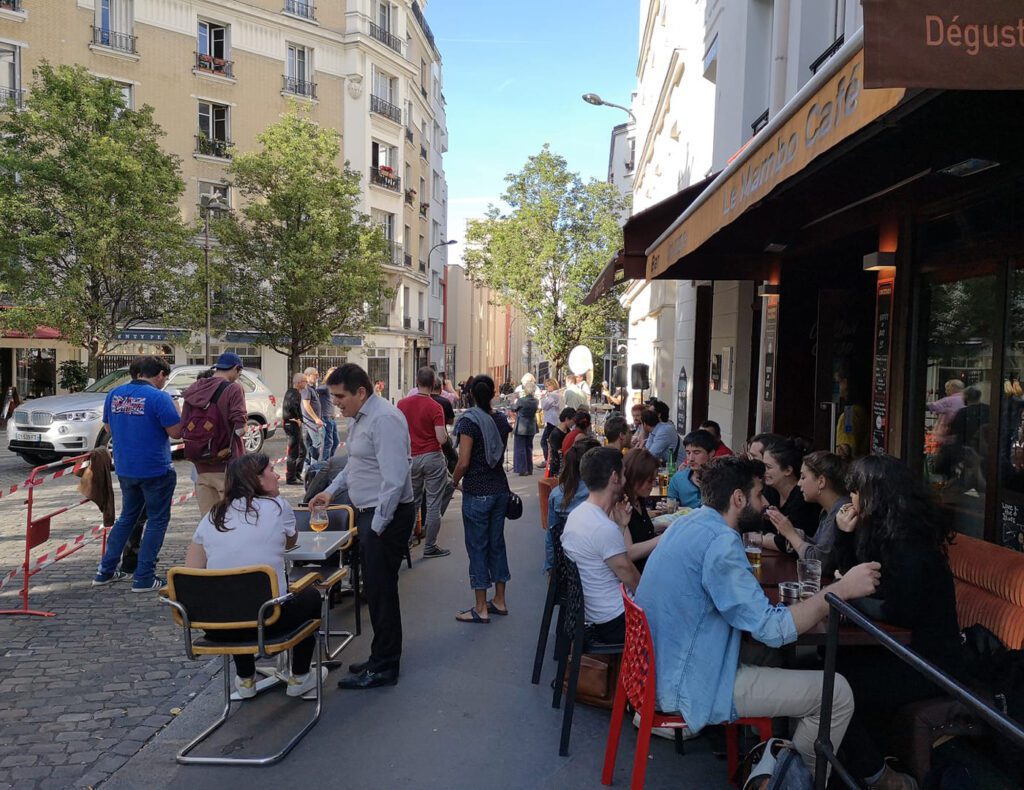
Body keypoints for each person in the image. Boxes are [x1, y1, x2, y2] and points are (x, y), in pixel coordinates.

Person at [636, 456, 881, 776]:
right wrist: (840, 590)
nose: (765, 503)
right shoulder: (721, 542)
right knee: (837, 692)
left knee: (775, 656)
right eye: (759, 495)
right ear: (738, 499)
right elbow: (772, 629)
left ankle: (766, 753)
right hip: (692, 682)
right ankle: (792, 780)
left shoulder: (688, 522)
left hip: (664, 665)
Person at [832, 454, 964, 790]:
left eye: (856, 491)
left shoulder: (913, 548)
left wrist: (851, 596)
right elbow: (849, 576)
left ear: (876, 496)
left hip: (928, 665)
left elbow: (895, 610)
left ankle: (882, 778)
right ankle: (862, 766)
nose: (851, 499)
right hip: (897, 653)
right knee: (829, 667)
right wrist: (845, 536)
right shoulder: (882, 535)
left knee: (833, 688)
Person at [308, 364, 416, 689]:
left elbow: (395, 480)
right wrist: (329, 491)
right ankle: (379, 656)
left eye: (340, 396)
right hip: (372, 513)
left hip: (385, 515)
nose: (336, 403)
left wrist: (378, 526)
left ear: (361, 393)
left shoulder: (383, 419)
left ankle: (385, 666)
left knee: (382, 591)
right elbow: (356, 464)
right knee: (377, 589)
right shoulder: (362, 418)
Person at [185, 453, 324, 699]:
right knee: (311, 595)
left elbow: (191, 572)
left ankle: (246, 679)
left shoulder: (212, 516)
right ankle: (301, 676)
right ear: (257, 479)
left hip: (217, 626)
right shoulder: (277, 506)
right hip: (269, 622)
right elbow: (290, 542)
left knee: (235, 597)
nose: (278, 474)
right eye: (271, 470)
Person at [92, 356, 182, 592]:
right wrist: (178, 410)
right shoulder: (159, 397)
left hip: (125, 467)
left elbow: (108, 428)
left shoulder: (114, 394)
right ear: (160, 375)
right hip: (155, 468)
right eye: (165, 377)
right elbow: (176, 432)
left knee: (127, 518)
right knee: (157, 520)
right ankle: (144, 576)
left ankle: (105, 570)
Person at [561, 447, 660, 643]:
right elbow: (630, 575)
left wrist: (622, 526)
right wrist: (656, 601)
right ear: (615, 477)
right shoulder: (601, 526)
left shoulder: (579, 515)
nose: (626, 478)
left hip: (595, 613)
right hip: (615, 619)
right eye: (624, 472)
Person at [451, 374, 512, 624]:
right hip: (500, 490)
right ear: (494, 393)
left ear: (472, 395)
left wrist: (453, 481)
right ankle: (499, 600)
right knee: (497, 544)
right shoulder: (500, 420)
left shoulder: (469, 422)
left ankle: (480, 607)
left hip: (477, 491)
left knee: (477, 547)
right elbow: (497, 454)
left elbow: (463, 462)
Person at [756, 451, 849, 580]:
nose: (799, 483)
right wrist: (786, 526)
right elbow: (816, 546)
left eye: (803, 477)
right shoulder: (826, 512)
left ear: (821, 481)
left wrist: (790, 534)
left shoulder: (842, 511)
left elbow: (818, 563)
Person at [397, 367, 454, 560]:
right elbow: (440, 437)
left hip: (410, 458)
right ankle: (430, 546)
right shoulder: (435, 407)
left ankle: (405, 543)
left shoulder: (402, 404)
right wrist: (446, 437)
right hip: (432, 457)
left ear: (417, 381)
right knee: (433, 503)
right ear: (433, 384)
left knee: (411, 503)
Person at [181, 352, 247, 516]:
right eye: (239, 372)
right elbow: (240, 429)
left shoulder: (194, 388)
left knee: (208, 520)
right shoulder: (234, 388)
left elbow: (183, 426)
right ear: (236, 369)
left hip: (200, 465)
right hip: (227, 463)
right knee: (232, 519)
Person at [544, 437, 601, 573]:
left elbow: (551, 537)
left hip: (569, 564)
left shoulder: (558, 494)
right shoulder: (602, 492)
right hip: (598, 562)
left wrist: (551, 567)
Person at [762, 437, 820, 544]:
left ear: (788, 470)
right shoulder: (770, 490)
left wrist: (760, 540)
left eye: (768, 467)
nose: (763, 471)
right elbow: (758, 527)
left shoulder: (803, 497)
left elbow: (788, 543)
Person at [622, 448, 662, 572]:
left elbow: (642, 529)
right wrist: (665, 537)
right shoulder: (621, 505)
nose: (653, 485)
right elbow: (630, 552)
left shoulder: (639, 499)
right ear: (635, 477)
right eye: (650, 481)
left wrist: (668, 525)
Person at [667, 429, 716, 509]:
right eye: (688, 453)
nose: (691, 458)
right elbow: (671, 508)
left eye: (696, 453)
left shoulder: (721, 480)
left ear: (711, 454)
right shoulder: (678, 479)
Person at [282, 372, 307, 485]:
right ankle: (291, 478)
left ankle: (297, 473)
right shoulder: (295, 393)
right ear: (299, 382)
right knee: (293, 452)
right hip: (292, 424)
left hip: (291, 424)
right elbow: (292, 406)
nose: (306, 383)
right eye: (304, 381)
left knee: (302, 450)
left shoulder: (291, 391)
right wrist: (297, 418)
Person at [512, 380, 539, 476]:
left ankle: (523, 469)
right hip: (531, 425)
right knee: (529, 447)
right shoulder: (536, 401)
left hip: (521, 425)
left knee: (520, 448)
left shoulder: (521, 400)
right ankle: (529, 468)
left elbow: (514, 408)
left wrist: (514, 399)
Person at [301, 366, 324, 468]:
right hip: (311, 422)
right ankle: (314, 467)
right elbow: (306, 405)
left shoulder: (310, 388)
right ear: (307, 375)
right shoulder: (306, 388)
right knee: (317, 443)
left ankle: (306, 466)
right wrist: (316, 419)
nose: (317, 377)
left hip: (311, 421)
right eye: (315, 375)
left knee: (309, 444)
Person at [538, 378, 562, 469]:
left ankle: (549, 460)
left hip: (552, 421)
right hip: (552, 421)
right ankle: (550, 460)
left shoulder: (553, 395)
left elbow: (544, 406)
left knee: (546, 441)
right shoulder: (555, 394)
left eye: (549, 385)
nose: (547, 387)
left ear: (554, 385)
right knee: (548, 441)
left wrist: (543, 397)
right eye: (546, 386)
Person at [317, 366, 339, 461]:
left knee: (336, 441)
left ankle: (330, 460)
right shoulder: (325, 386)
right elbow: (315, 390)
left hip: (331, 417)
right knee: (328, 442)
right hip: (326, 417)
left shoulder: (332, 387)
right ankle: (325, 463)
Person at [547, 407, 576, 477]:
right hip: (557, 468)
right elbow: (558, 454)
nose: (574, 423)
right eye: (573, 420)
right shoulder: (556, 434)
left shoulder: (568, 431)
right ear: (567, 419)